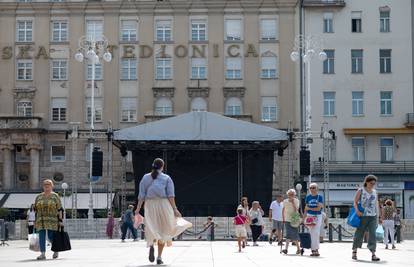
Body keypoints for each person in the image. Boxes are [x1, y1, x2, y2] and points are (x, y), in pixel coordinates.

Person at [135, 158, 191, 265]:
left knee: (151, 227)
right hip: (163, 205)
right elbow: (171, 196)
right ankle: (159, 257)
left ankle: (151, 245)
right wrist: (175, 209)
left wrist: (138, 208)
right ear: (162, 166)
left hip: (150, 205)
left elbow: (141, 195)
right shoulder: (166, 178)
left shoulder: (145, 178)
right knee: (164, 230)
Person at [351, 175, 382, 261]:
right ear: (367, 182)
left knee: (373, 234)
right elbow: (355, 202)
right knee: (359, 233)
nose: (372, 185)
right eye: (371, 183)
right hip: (362, 215)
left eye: (374, 184)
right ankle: (354, 251)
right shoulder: (361, 190)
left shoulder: (375, 192)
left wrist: (379, 216)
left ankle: (373, 254)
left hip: (373, 216)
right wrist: (357, 211)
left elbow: (376, 204)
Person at [34, 179, 63, 260]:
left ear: (52, 186)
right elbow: (35, 209)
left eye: (48, 184)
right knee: (41, 236)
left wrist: (60, 220)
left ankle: (56, 249)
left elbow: (60, 209)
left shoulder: (55, 196)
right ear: (43, 186)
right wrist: (34, 220)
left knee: (51, 236)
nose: (47, 186)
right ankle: (42, 254)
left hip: (52, 219)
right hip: (41, 219)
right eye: (45, 184)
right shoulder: (39, 196)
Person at [304, 183, 324, 257]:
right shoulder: (308, 197)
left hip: (317, 216)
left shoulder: (320, 197)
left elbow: (319, 208)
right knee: (311, 232)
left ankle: (316, 249)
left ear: (317, 189)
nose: (312, 189)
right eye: (311, 188)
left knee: (316, 232)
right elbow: (305, 209)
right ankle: (313, 249)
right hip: (309, 216)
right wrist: (303, 218)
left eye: (313, 187)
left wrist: (309, 208)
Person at [282, 189, 301, 255]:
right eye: (289, 194)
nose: (291, 196)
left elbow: (296, 209)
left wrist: (292, 202)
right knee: (288, 233)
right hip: (287, 218)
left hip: (294, 219)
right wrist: (283, 218)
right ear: (287, 194)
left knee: (294, 234)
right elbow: (283, 209)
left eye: (292, 194)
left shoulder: (296, 201)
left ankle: (298, 248)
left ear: (294, 195)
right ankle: (286, 249)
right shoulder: (285, 201)